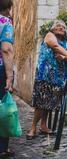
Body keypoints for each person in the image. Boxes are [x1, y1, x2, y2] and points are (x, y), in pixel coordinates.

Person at [26, 20, 67, 140]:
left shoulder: (66, 43)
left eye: (63, 26)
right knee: (41, 103)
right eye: (58, 26)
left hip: (58, 78)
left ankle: (43, 126)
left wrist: (64, 57)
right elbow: (54, 46)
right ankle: (33, 128)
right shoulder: (49, 35)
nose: (60, 27)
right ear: (53, 28)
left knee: (49, 103)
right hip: (45, 75)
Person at [0, 0, 14, 157]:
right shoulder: (5, 22)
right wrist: (9, 76)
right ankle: (2, 148)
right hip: (0, 69)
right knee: (3, 108)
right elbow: (6, 49)